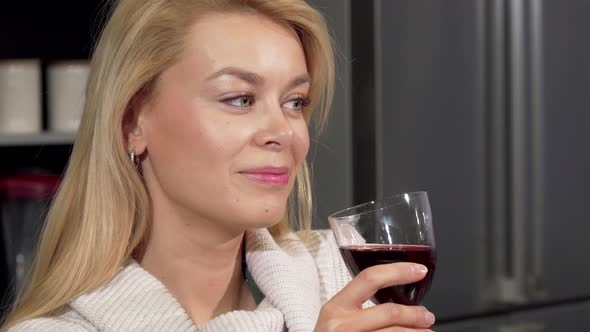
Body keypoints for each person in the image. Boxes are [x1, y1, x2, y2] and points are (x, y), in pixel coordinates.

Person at [2, 0, 436, 331]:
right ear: (133, 122)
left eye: (294, 102)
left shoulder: (340, 276)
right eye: (240, 99)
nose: (283, 132)